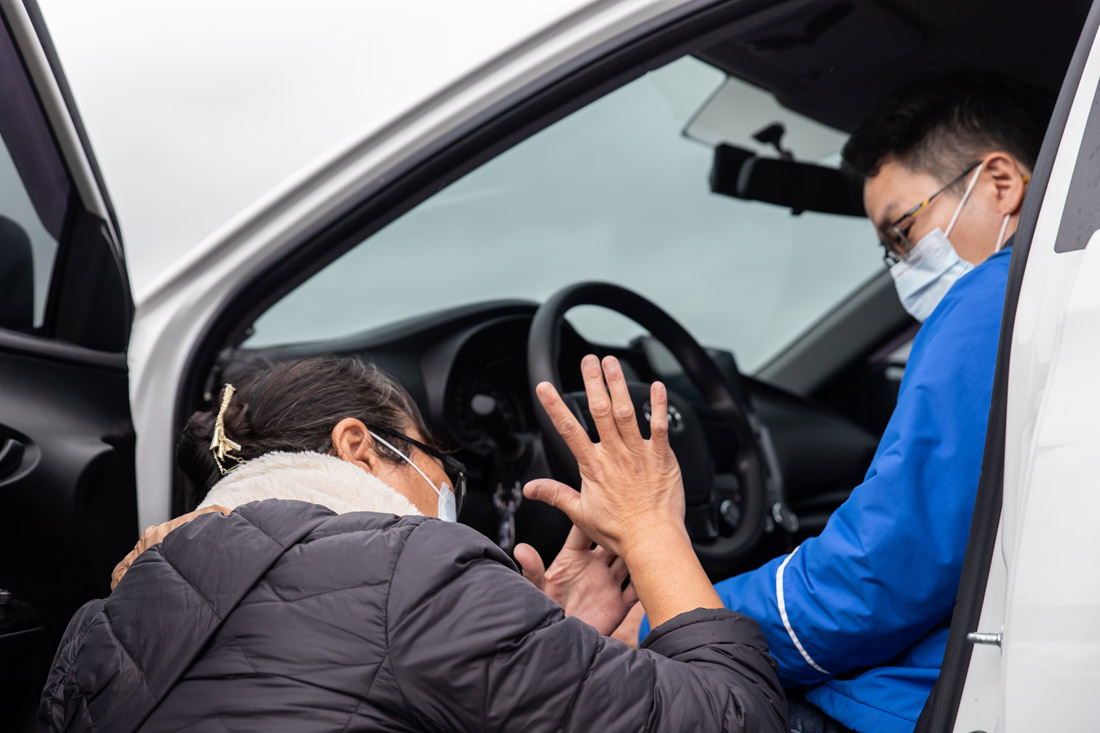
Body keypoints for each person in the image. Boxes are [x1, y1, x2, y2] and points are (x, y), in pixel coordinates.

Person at [603, 72, 1051, 733]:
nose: (902, 265)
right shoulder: (1042, 303)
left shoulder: (993, 301)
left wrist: (661, 620)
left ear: (1002, 183)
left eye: (903, 231)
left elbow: (876, 577)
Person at [39, 354, 787, 732]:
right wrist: (651, 525)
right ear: (359, 447)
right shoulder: (412, 569)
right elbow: (739, 720)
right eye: (442, 464)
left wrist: (544, 645)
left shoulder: (100, 627)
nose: (450, 487)